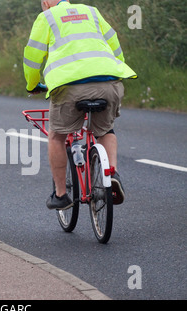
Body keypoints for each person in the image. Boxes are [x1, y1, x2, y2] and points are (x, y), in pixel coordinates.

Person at [23, 0, 137, 210]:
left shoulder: (46, 17)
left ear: (47, 2)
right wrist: (116, 68)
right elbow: (115, 45)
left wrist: (32, 85)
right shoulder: (91, 11)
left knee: (56, 136)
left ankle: (60, 195)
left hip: (70, 88)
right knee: (105, 130)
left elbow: (32, 58)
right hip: (110, 81)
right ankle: (111, 173)